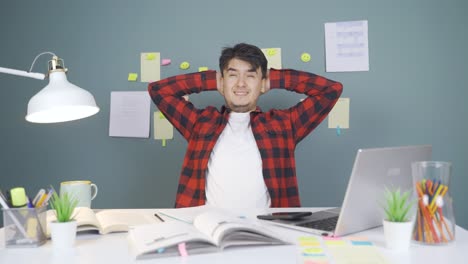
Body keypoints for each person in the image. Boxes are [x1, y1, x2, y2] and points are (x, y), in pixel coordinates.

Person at [148, 43, 343, 209]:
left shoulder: (284, 125)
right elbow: (158, 90)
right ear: (222, 82)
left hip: (268, 233)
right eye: (233, 75)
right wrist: (209, 80)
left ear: (262, 83)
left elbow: (330, 90)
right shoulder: (200, 123)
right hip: (206, 229)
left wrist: (274, 79)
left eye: (250, 76)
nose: (241, 84)